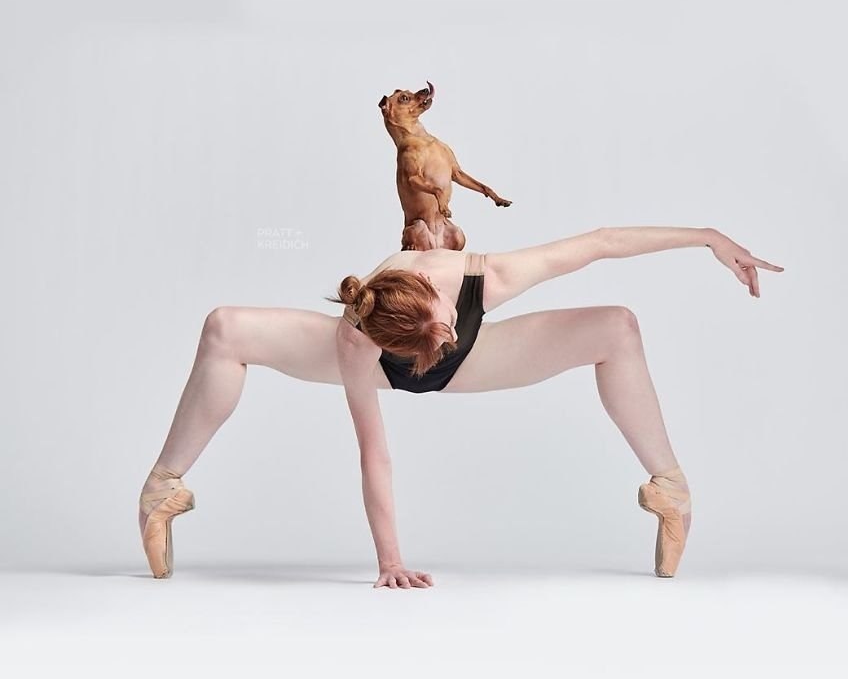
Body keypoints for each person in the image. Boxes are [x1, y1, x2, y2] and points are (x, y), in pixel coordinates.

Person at [138, 226, 784, 587]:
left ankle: (670, 488)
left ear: (430, 282)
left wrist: (706, 238)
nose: (444, 332)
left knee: (617, 326)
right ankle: (162, 488)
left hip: (478, 360)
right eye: (433, 336)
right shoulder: (356, 336)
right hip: (382, 364)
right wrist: (390, 562)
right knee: (225, 329)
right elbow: (374, 453)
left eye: (443, 320)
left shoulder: (483, 275)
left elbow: (602, 243)